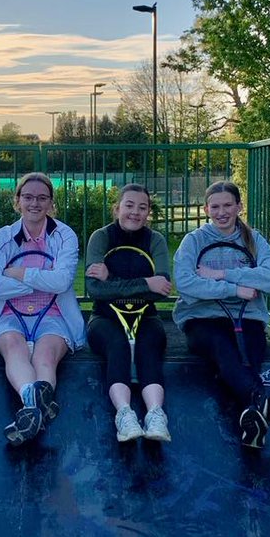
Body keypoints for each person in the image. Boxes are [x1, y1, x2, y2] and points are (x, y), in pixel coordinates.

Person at [173, 180, 270, 450]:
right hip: (202, 318)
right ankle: (261, 401)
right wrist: (236, 289)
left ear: (239, 206)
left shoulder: (254, 239)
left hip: (248, 318)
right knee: (224, 350)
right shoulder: (194, 240)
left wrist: (223, 274)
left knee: (246, 362)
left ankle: (253, 424)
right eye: (215, 206)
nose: (221, 212)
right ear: (206, 209)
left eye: (227, 205)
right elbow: (186, 283)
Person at [0, 171, 85, 445]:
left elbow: (63, 281)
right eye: (28, 197)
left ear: (51, 203)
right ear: (17, 201)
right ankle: (35, 407)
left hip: (53, 314)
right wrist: (42, 279)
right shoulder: (1, 238)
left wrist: (18, 273)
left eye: (42, 198)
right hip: (10, 315)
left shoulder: (65, 236)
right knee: (13, 349)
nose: (35, 204)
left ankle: (30, 413)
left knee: (45, 357)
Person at [85, 183, 172, 443]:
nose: (135, 212)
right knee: (117, 344)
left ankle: (156, 415)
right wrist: (145, 282)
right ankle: (125, 416)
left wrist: (111, 278)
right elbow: (94, 290)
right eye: (129, 205)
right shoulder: (101, 237)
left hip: (148, 317)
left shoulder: (155, 240)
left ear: (148, 213)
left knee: (150, 344)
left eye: (142, 207)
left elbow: (162, 289)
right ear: (117, 209)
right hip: (104, 318)